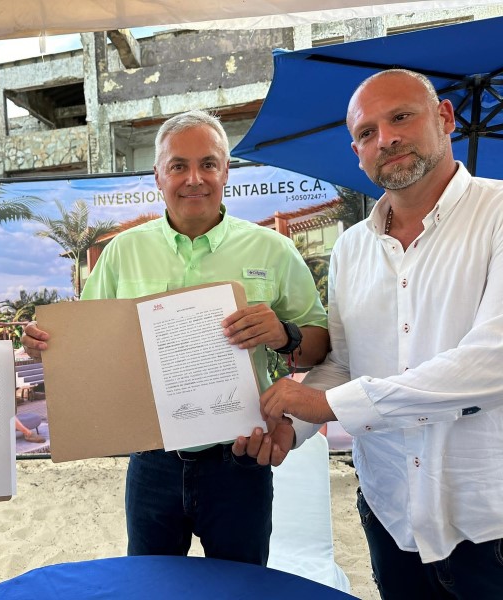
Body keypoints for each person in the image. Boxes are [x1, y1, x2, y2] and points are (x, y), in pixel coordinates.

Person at [22, 110, 329, 564]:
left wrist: (285, 334)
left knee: (239, 589)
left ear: (226, 171)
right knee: (151, 587)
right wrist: (45, 345)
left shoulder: (274, 250)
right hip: (152, 463)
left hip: (241, 459)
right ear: (158, 176)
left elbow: (320, 345)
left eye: (208, 164)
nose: (194, 179)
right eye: (178, 166)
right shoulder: (123, 252)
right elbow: (84, 344)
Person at [259, 69, 503, 599]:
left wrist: (329, 405)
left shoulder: (498, 213)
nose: (385, 139)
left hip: (488, 520)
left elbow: (492, 362)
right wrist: (292, 428)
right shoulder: (351, 248)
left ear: (444, 118)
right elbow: (345, 364)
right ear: (357, 153)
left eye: (401, 117)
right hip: (389, 511)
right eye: (366, 132)